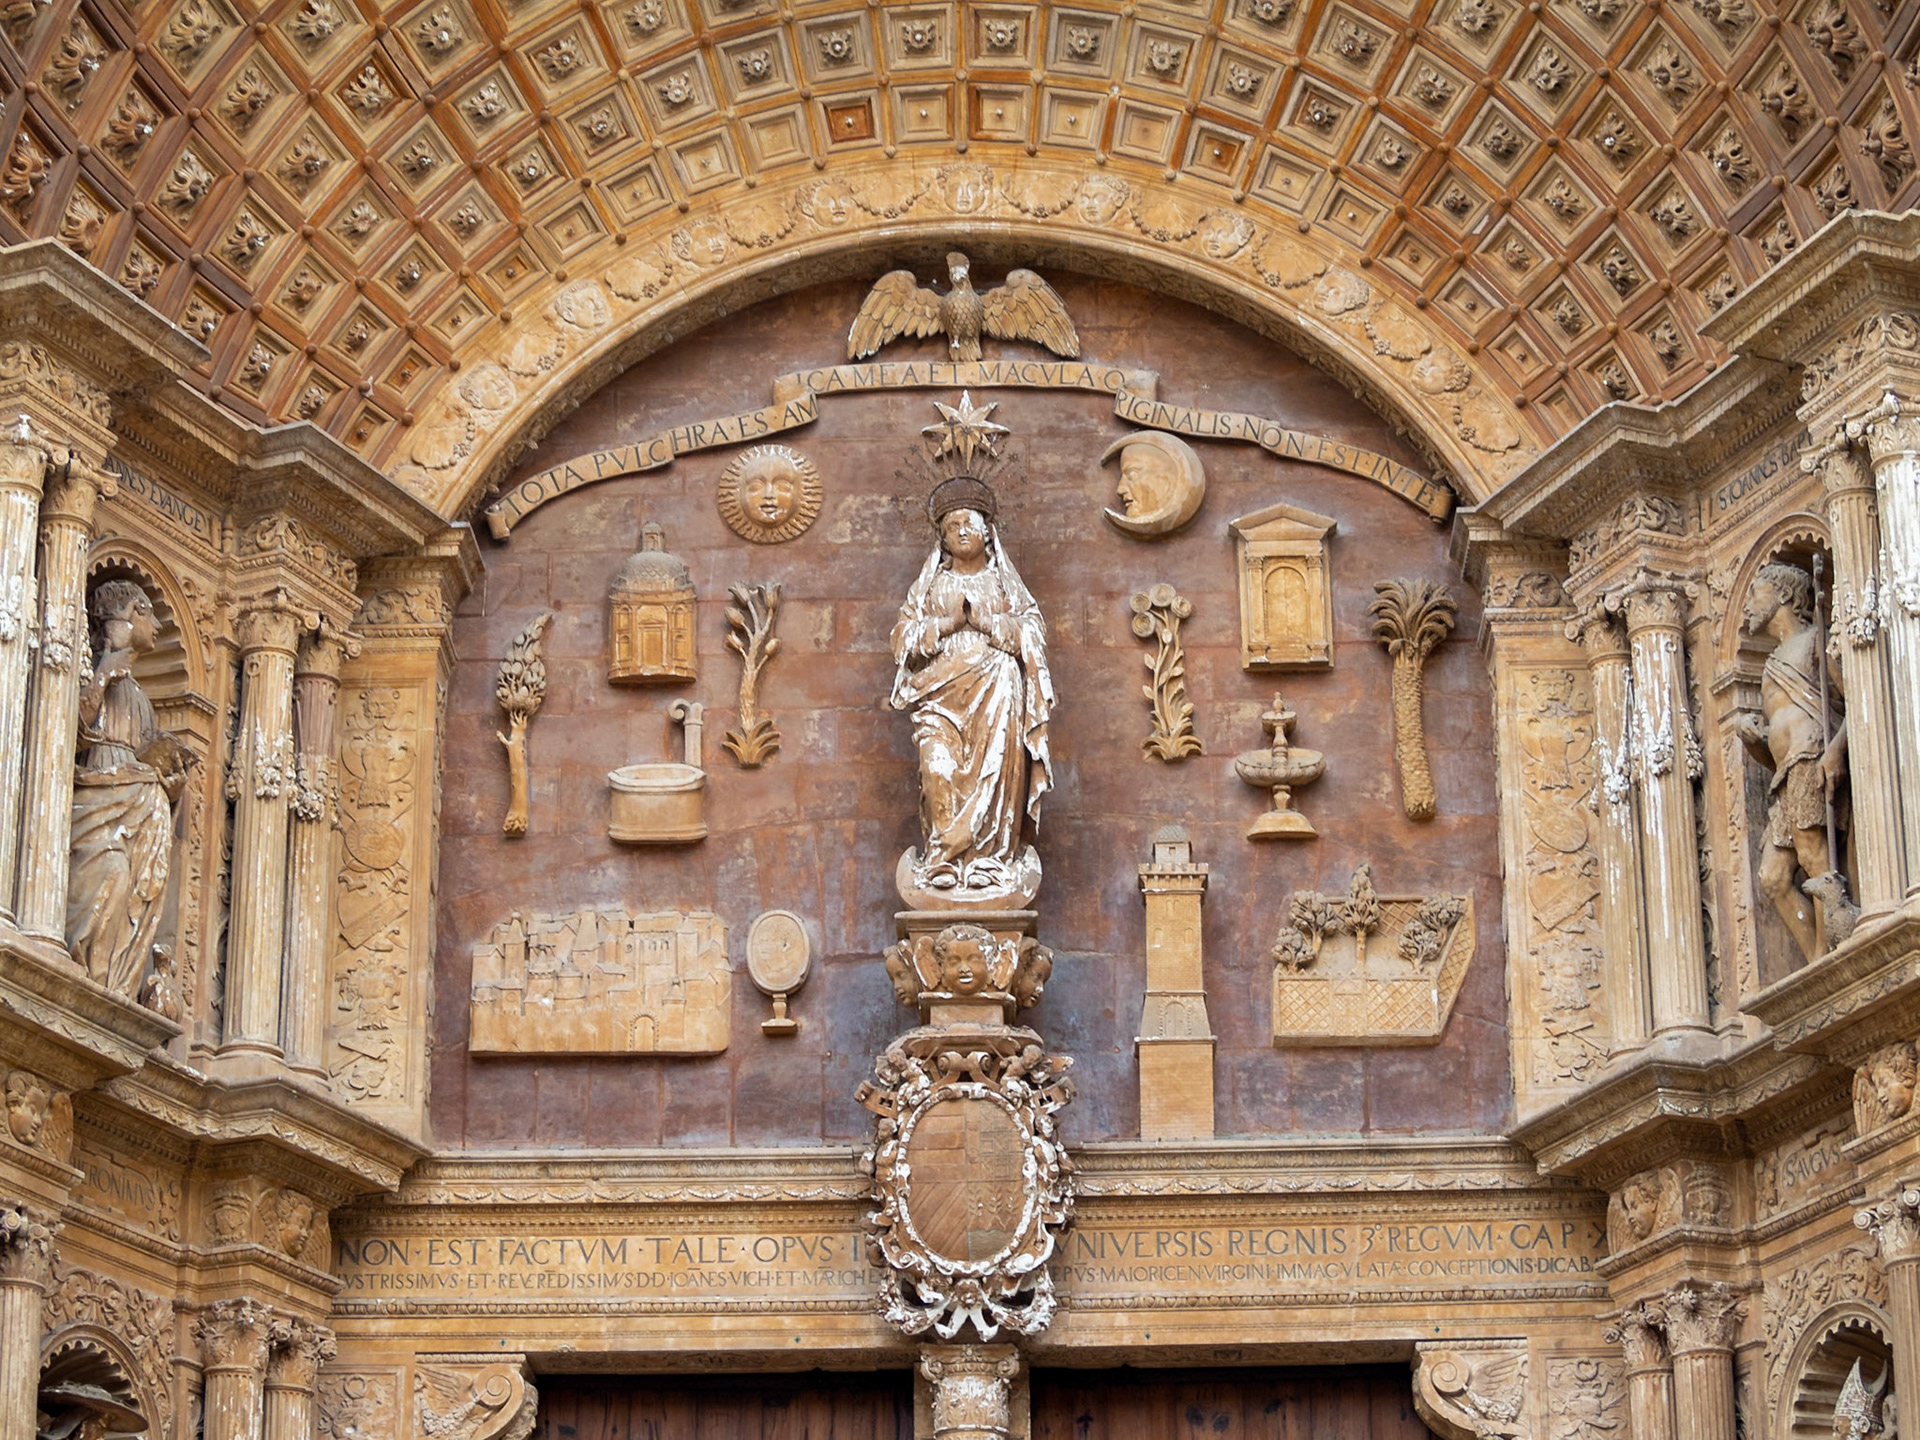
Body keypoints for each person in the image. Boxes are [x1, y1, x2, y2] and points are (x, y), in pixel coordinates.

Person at [890, 477, 1052, 898]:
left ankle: (987, 859)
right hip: (939, 696)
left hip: (996, 696)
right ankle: (943, 858)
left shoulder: (1002, 584)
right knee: (937, 769)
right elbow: (902, 638)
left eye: (970, 522)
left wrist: (985, 622)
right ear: (942, 537)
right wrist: (946, 625)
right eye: (952, 525)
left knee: (993, 773)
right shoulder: (931, 585)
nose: (961, 530)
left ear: (987, 531)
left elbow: (1032, 632)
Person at [66, 579, 188, 997]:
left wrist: (169, 781)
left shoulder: (139, 695)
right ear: (129, 615)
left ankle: (114, 985)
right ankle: (85, 974)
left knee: (131, 888)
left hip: (138, 810)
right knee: (110, 875)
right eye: (147, 613)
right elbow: (71, 729)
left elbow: (145, 751)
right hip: (100, 798)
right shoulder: (90, 666)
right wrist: (102, 675)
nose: (155, 624)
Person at [1735, 560, 1853, 959]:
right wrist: (1757, 742)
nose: (1749, 605)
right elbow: (1773, 751)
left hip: (1812, 755)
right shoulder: (1769, 665)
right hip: (1785, 773)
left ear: (1783, 595)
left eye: (1756, 593)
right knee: (1772, 877)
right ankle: (1816, 955)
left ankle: (1831, 952)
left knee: (1813, 854)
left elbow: (1859, 699)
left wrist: (1836, 750)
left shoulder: (1815, 640)